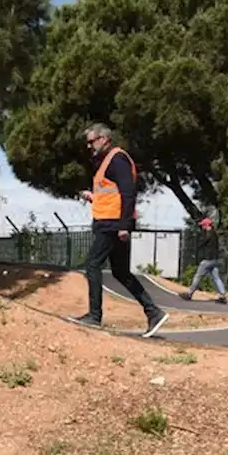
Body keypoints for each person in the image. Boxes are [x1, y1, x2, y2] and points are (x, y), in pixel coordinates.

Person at [74, 122, 169, 337]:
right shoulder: (105, 163)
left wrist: (124, 225)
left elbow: (128, 193)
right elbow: (111, 194)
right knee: (120, 272)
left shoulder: (117, 159)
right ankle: (153, 313)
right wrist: (92, 196)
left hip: (112, 224)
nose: (89, 146)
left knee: (92, 264)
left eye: (92, 141)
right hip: (109, 222)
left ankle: (94, 316)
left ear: (104, 139)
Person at [181, 216, 228, 303]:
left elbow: (202, 243)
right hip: (215, 260)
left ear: (206, 225)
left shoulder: (208, 234)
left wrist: (196, 247)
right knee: (216, 277)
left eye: (203, 225)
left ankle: (189, 293)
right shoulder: (214, 234)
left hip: (207, 260)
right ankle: (223, 296)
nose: (202, 227)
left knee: (198, 276)